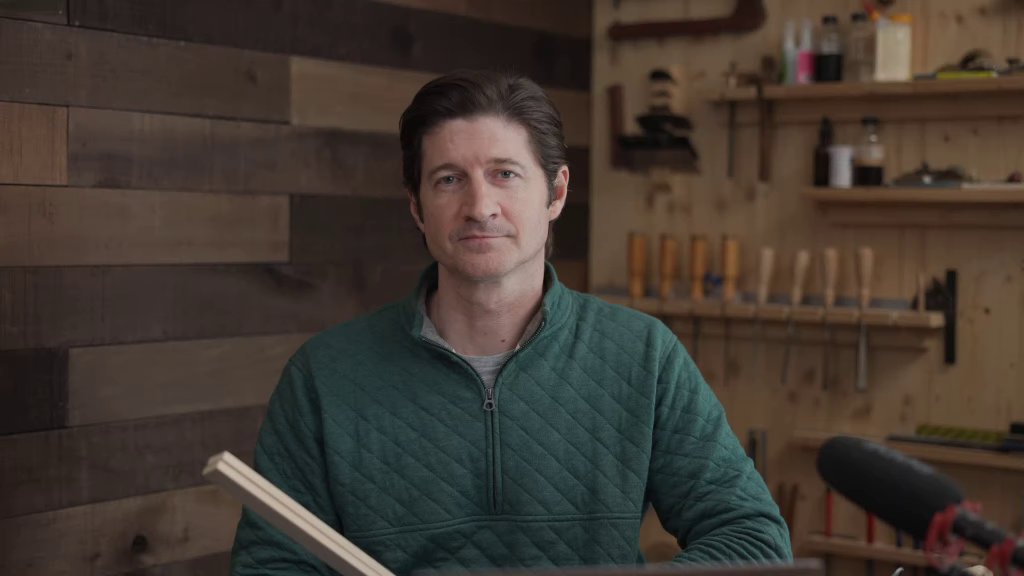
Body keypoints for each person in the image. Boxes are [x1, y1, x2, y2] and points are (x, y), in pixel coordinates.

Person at [230, 69, 792, 575]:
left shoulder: (643, 356)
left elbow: (753, 538)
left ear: (557, 192)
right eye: (449, 179)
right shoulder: (325, 376)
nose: (480, 206)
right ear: (417, 207)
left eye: (504, 173)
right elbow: (271, 564)